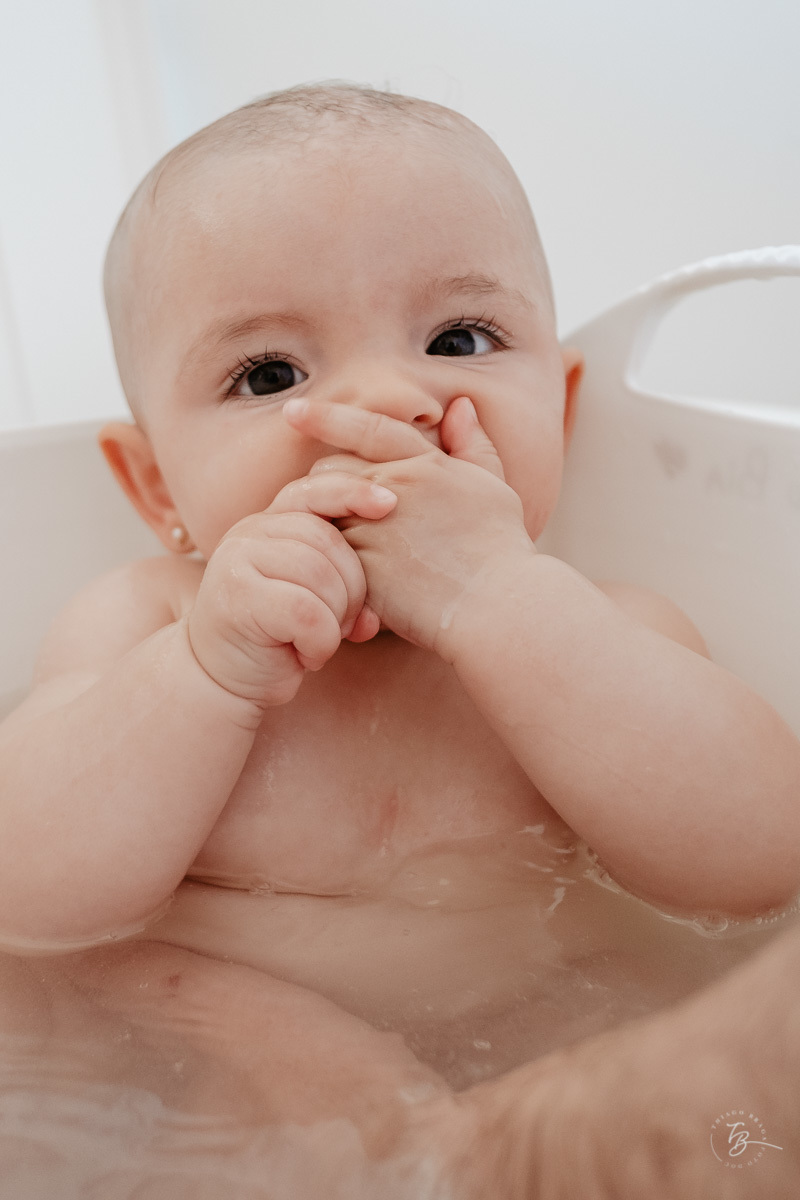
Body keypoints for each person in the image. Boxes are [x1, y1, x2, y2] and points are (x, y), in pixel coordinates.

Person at [0, 80, 798, 1191]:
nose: (388, 401)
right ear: (154, 487)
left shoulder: (606, 633)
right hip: (198, 1106)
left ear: (558, 413)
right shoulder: (148, 623)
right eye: (269, 373)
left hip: (564, 1077)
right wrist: (204, 672)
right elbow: (28, 904)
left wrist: (498, 600)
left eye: (460, 339)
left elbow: (756, 873)